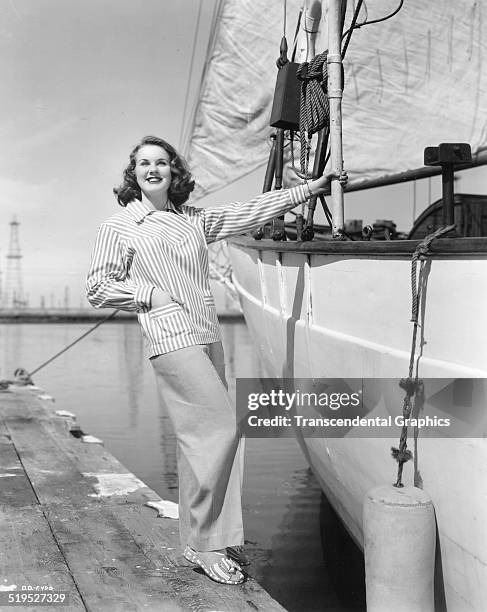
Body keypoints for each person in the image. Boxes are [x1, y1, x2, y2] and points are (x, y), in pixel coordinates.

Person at [86, 135, 344, 585]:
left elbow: (248, 211)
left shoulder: (193, 220)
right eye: (144, 163)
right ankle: (209, 546)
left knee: (198, 442)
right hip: (170, 337)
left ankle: (193, 538)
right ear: (133, 173)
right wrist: (150, 293)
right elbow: (98, 287)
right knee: (222, 429)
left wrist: (308, 190)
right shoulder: (121, 225)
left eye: (161, 163)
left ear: (173, 171)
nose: (153, 169)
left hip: (208, 335)